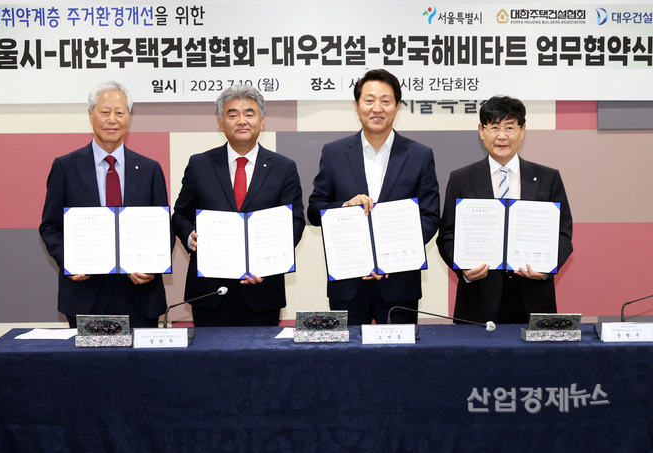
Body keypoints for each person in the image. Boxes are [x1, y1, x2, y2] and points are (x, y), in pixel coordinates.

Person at [307, 69, 440, 325]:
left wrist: (389, 257)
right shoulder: (334, 152)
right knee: (347, 351)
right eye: (369, 100)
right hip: (347, 282)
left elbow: (430, 217)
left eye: (385, 101)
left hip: (399, 283)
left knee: (399, 351)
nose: (377, 108)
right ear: (357, 106)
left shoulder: (420, 155)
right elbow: (314, 210)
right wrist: (345, 206)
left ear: (397, 106)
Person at [172, 84, 305, 327]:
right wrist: (190, 237)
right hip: (210, 290)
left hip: (262, 289)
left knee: (260, 353)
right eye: (232, 114)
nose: (242, 121)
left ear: (261, 121)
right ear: (220, 122)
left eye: (249, 114)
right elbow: (181, 214)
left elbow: (295, 221)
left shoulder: (283, 167)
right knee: (209, 352)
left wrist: (271, 262)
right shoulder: (200, 165)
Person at [39, 81, 169, 328]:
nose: (112, 120)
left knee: (141, 355)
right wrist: (69, 261)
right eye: (105, 112)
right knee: (88, 356)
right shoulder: (65, 167)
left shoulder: (150, 169)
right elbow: (50, 226)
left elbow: (163, 228)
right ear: (91, 115)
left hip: (140, 295)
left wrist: (153, 267)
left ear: (128, 117)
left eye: (120, 112)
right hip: (85, 294)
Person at [437, 95, 573, 324]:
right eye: (494, 127)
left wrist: (546, 268)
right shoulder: (461, 179)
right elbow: (447, 235)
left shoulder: (548, 178)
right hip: (478, 298)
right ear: (481, 131)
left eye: (510, 127)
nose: (502, 136)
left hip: (533, 297)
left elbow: (563, 233)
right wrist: (464, 269)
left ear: (522, 130)